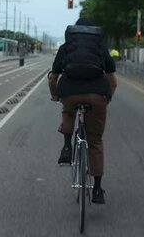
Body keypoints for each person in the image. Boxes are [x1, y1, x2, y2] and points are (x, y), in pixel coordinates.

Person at [48, 17, 117, 204]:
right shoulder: (100, 48)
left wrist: (55, 95)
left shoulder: (66, 48)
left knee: (68, 109)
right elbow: (112, 81)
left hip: (69, 93)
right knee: (95, 142)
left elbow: (53, 77)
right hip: (97, 95)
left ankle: (67, 146)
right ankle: (96, 189)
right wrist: (107, 98)